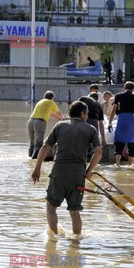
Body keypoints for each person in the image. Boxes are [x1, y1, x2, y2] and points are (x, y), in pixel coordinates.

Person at [31, 101, 102, 235]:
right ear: (82, 113)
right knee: (74, 212)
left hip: (59, 172)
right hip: (78, 174)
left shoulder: (60, 125)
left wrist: (37, 168)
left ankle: (53, 240)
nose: (87, 116)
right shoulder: (90, 129)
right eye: (87, 113)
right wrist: (88, 171)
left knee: (51, 207)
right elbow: (99, 152)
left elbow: (45, 147)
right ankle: (76, 243)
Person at [108, 81, 134, 167]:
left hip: (121, 121)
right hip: (131, 121)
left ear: (124, 87)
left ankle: (118, 165)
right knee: (132, 143)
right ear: (133, 88)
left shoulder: (118, 96)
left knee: (119, 142)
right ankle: (130, 166)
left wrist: (110, 122)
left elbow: (113, 110)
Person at [27, 91, 64, 159]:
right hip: (40, 123)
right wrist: (63, 119)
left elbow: (50, 114)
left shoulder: (41, 102)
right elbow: (58, 113)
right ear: (52, 98)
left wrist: (59, 118)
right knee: (38, 143)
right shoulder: (51, 102)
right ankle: (34, 161)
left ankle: (29, 158)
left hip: (30, 121)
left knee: (32, 142)